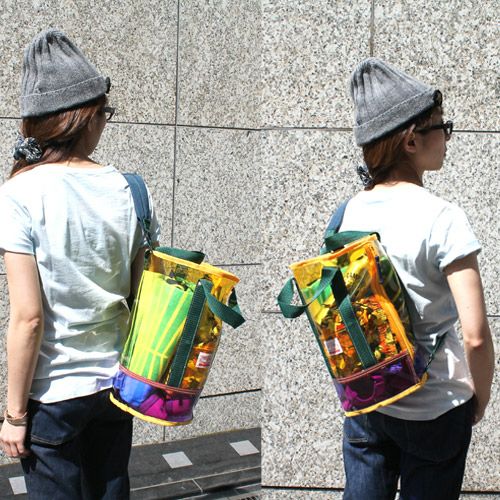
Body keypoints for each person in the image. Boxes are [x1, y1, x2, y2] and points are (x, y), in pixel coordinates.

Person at [0, 29, 160, 499]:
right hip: (116, 386)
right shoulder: (130, 189)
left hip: (52, 396)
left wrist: (14, 416)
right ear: (82, 117)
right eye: (102, 113)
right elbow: (141, 296)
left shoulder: (18, 194)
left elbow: (28, 318)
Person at [338, 58, 494, 500]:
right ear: (410, 140)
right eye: (441, 127)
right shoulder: (443, 218)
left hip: (369, 397)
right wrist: (479, 399)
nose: (447, 137)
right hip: (436, 407)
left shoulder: (351, 211)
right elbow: (475, 335)